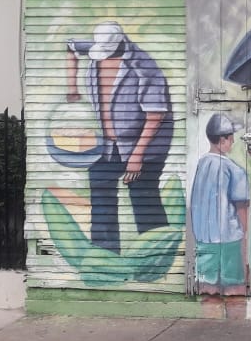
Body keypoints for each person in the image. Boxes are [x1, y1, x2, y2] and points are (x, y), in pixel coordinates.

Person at [66, 21, 173, 254]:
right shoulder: (98, 47)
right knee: (101, 198)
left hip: (146, 145)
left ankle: (157, 257)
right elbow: (71, 46)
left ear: (119, 43)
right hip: (106, 145)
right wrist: (72, 87)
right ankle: (106, 256)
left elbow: (155, 116)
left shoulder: (144, 67)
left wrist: (137, 157)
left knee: (144, 199)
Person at [190, 113, 250, 296]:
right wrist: (245, 236)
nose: (233, 141)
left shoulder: (201, 164)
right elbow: (241, 208)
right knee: (235, 291)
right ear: (222, 140)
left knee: (207, 291)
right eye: (231, 138)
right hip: (229, 240)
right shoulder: (235, 170)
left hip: (204, 241)